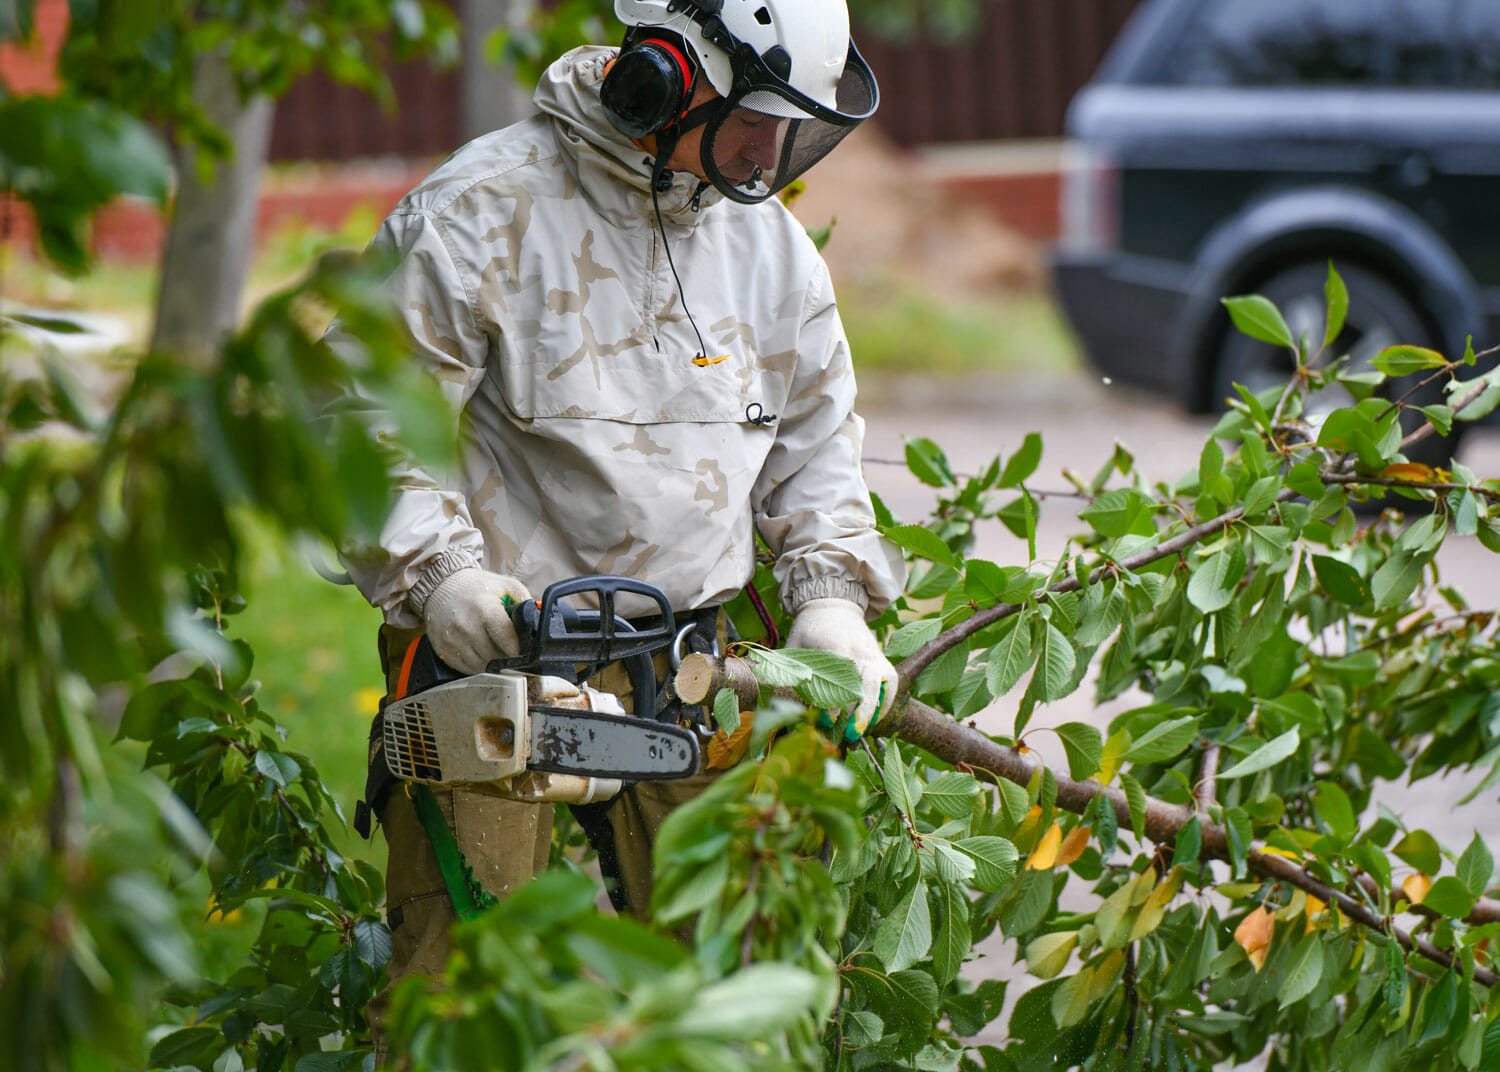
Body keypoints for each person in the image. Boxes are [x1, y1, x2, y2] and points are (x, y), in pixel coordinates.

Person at [329, 0, 905, 1059]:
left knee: (734, 1000)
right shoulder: (481, 211)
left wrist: (828, 604)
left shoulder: (768, 250)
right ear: (667, 72)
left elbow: (817, 441)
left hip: (695, 673)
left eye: (788, 130)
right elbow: (356, 423)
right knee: (464, 1011)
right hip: (498, 672)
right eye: (752, 120)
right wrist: (441, 578)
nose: (766, 154)